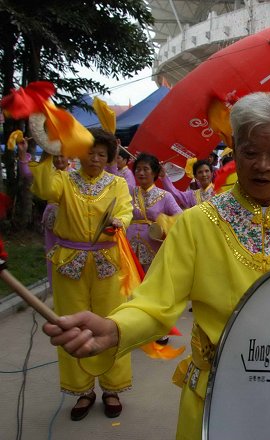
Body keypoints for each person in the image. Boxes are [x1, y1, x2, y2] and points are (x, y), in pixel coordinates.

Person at [42, 92, 270, 439]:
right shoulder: (197, 223)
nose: (263, 165)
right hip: (216, 393)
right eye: (251, 152)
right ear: (234, 149)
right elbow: (155, 303)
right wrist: (114, 329)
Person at [30, 128, 133, 421]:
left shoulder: (116, 184)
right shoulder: (64, 180)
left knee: (112, 324)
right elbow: (44, 189)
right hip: (69, 263)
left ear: (109, 156)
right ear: (80, 153)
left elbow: (126, 211)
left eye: (102, 154)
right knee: (71, 327)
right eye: (91, 152)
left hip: (107, 262)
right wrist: (49, 152)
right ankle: (82, 391)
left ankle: (111, 387)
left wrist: (119, 222)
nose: (96, 158)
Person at [17, 139, 70, 288]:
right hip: (52, 218)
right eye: (55, 156)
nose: (59, 159)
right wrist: (22, 152)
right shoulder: (46, 172)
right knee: (52, 251)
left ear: (69, 157)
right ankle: (56, 287)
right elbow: (27, 173)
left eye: (62, 155)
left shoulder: (75, 174)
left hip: (72, 218)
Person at [128, 153, 182, 272]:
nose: (141, 173)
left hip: (153, 245)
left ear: (154, 172)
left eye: (146, 169)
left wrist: (164, 224)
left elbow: (180, 217)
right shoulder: (129, 192)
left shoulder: (165, 196)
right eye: (138, 169)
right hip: (129, 245)